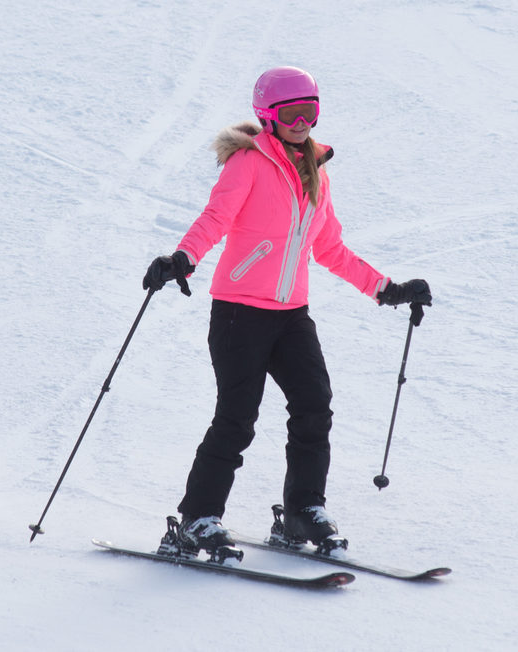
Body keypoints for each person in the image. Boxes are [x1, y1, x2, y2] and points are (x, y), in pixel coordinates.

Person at [143, 66, 431, 555]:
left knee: (314, 405)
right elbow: (216, 219)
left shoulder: (315, 171)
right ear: (267, 115)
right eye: (291, 112)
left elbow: (330, 248)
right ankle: (198, 518)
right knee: (237, 417)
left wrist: (387, 289)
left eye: (310, 111)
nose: (302, 121)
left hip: (291, 315)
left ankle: (301, 512)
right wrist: (182, 259)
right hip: (239, 312)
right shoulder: (248, 163)